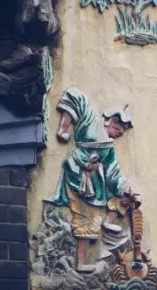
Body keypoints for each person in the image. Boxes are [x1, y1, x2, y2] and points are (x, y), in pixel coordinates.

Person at [48, 88, 145, 271]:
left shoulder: (108, 149)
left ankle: (108, 222)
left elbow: (113, 172)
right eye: (120, 128)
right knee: (86, 219)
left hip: (95, 184)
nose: (121, 133)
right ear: (112, 121)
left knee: (115, 202)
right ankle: (81, 263)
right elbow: (75, 97)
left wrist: (128, 189)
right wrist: (63, 129)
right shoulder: (90, 123)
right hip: (78, 177)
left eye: (124, 131)